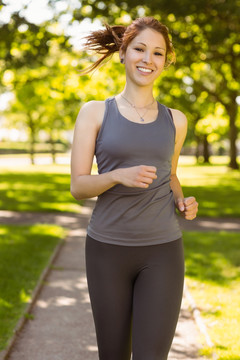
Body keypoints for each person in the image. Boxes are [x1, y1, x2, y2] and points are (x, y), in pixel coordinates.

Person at [70, 16, 198, 360]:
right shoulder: (95, 113)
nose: (148, 59)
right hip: (106, 251)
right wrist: (116, 176)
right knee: (112, 354)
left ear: (166, 61)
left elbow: (169, 176)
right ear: (124, 52)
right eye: (140, 49)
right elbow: (79, 186)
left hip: (163, 251)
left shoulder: (176, 120)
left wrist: (182, 200)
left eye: (158, 53)